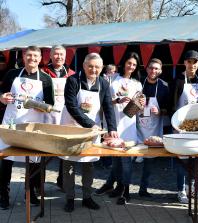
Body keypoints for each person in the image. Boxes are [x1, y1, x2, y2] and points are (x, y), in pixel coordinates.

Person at [59, 53, 118, 212]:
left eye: (97, 67)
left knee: (88, 164)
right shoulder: (73, 80)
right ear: (84, 65)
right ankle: (69, 198)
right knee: (68, 164)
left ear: (102, 68)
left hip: (91, 129)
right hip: (70, 126)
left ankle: (87, 196)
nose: (93, 69)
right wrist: (90, 124)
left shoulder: (104, 84)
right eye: (90, 66)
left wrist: (112, 128)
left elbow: (108, 108)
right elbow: (72, 107)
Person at [0, 45, 54, 209]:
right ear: (24, 57)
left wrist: (44, 106)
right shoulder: (12, 74)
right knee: (6, 161)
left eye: (36, 56)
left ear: (40, 59)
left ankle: (29, 195)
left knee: (33, 161)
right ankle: (3, 194)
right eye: (29, 55)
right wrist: (2, 98)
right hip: (12, 123)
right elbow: (2, 93)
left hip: (33, 125)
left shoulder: (46, 78)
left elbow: (50, 102)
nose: (32, 59)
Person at [94, 52, 145, 205]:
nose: (131, 66)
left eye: (134, 65)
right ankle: (118, 185)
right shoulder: (110, 78)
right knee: (115, 156)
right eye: (129, 63)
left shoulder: (137, 83)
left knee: (126, 158)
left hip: (128, 123)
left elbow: (139, 109)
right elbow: (101, 99)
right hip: (112, 122)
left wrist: (139, 105)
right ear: (124, 62)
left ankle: (126, 189)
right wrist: (117, 100)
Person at [168, 50, 198, 203]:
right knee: (182, 160)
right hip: (182, 126)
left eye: (195, 62)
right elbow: (172, 106)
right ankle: (181, 190)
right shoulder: (177, 81)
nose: (192, 65)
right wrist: (176, 126)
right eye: (189, 62)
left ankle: (192, 188)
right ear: (184, 63)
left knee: (195, 159)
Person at [41, 44, 75, 191]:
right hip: (45, 116)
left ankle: (63, 182)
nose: (59, 57)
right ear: (50, 55)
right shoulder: (42, 73)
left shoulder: (72, 74)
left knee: (64, 152)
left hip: (65, 118)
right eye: (56, 54)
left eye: (61, 54)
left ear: (65, 56)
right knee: (42, 152)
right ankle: (38, 184)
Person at [136, 58, 170, 197]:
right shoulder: (138, 83)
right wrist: (136, 104)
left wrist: (161, 111)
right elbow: (129, 108)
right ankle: (122, 187)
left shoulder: (164, 86)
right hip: (136, 128)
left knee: (149, 162)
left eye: (156, 69)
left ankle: (143, 189)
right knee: (127, 159)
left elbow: (169, 108)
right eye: (151, 68)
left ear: (160, 71)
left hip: (152, 131)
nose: (153, 71)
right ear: (146, 68)